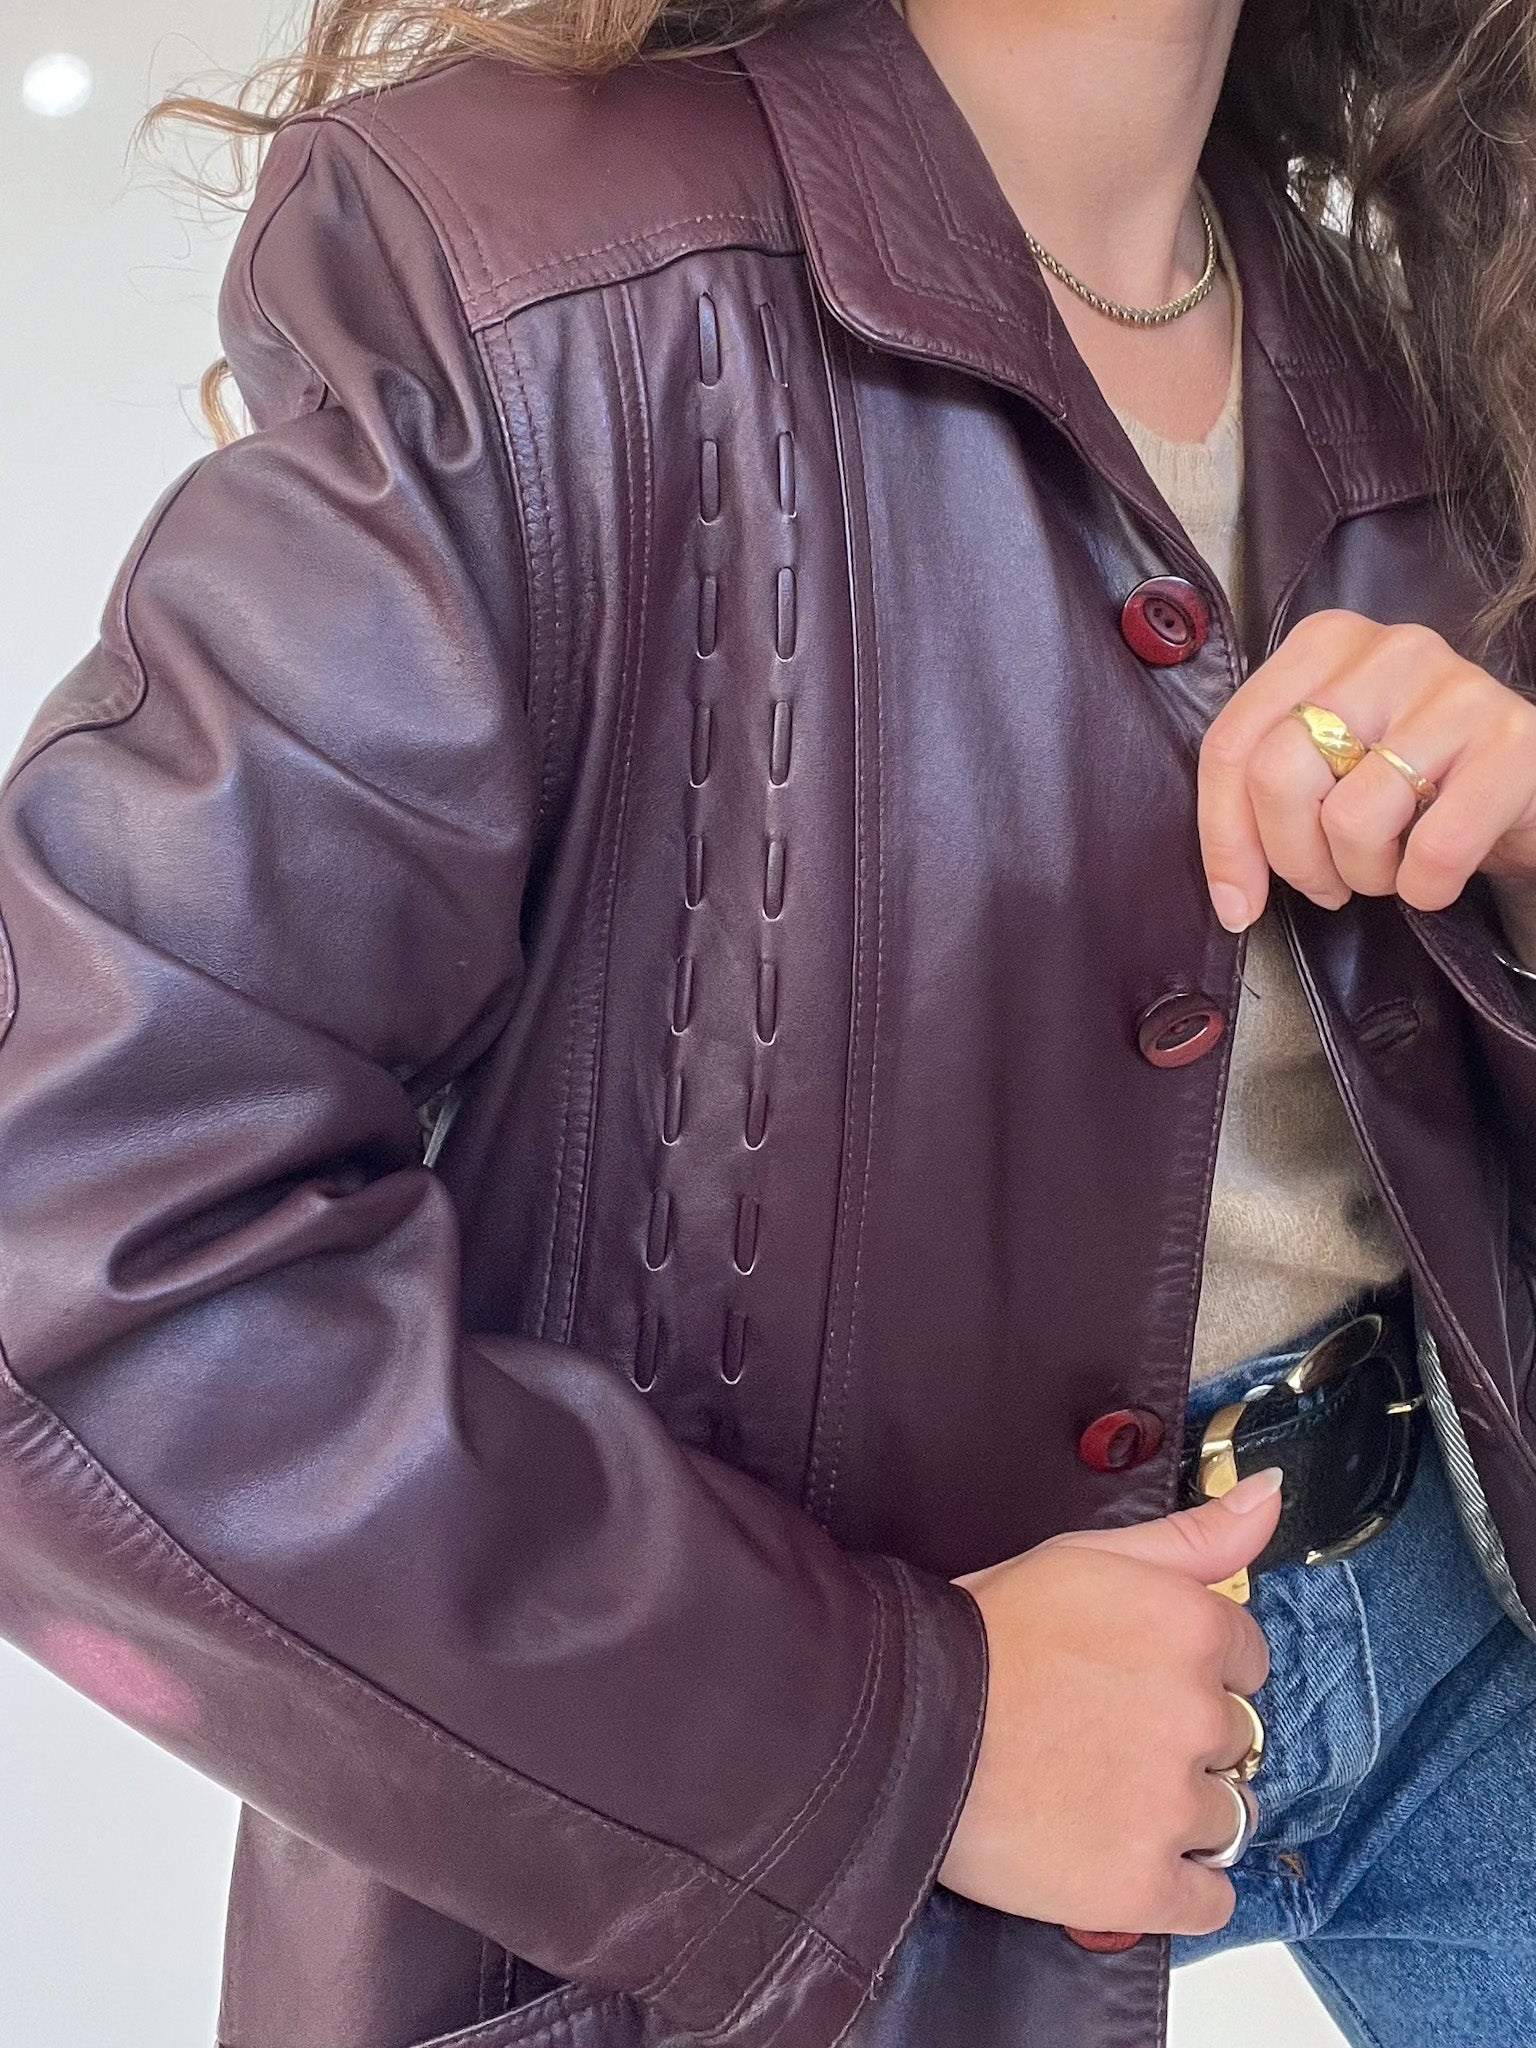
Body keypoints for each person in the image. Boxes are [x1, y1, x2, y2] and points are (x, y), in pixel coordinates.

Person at [4, 0, 1536, 2042]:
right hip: (834, 1802)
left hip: (1459, 1623)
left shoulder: (1406, 304)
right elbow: (77, 1245)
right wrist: (894, 1736)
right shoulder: (526, 268)